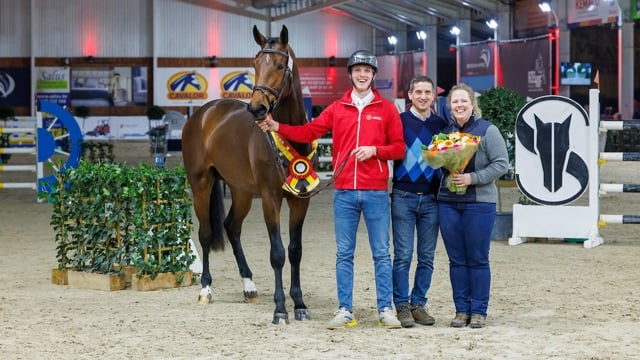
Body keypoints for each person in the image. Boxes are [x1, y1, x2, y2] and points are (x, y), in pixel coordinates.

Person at [257, 50, 406, 329]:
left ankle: (385, 308)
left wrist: (375, 151)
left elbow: (398, 148)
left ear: (373, 76)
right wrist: (277, 126)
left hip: (374, 192)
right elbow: (308, 132)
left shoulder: (386, 110)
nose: (362, 75)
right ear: (350, 75)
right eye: (357, 70)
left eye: (367, 71)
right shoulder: (337, 108)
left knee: (382, 253)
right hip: (345, 193)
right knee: (344, 254)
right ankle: (345, 309)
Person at [437, 83, 508, 329]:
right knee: (456, 260)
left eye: (463, 101)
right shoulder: (444, 134)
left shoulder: (488, 131)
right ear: (449, 107)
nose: (459, 105)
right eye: (455, 102)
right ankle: (461, 310)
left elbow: (501, 164)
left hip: (479, 203)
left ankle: (478, 311)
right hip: (448, 203)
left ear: (472, 104)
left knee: (477, 258)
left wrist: (471, 178)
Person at [391, 76, 448, 328]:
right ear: (410, 95)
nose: (423, 96)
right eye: (419, 92)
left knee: (426, 257)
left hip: (432, 200)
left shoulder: (441, 125)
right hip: (403, 196)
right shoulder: (399, 122)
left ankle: (418, 303)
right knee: (403, 256)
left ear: (433, 96)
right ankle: (401, 305)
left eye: (428, 92)